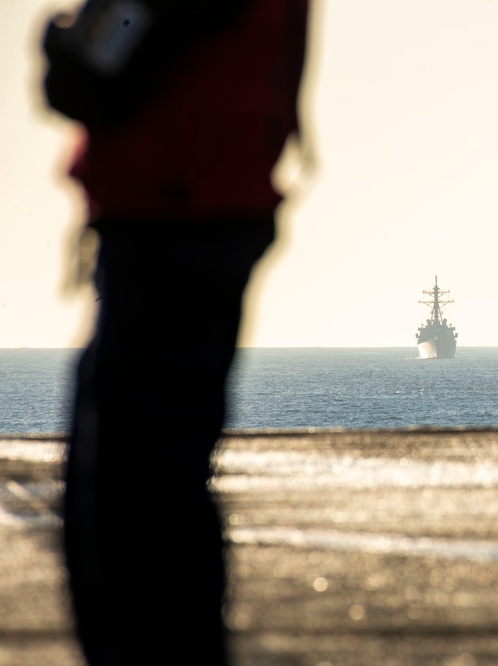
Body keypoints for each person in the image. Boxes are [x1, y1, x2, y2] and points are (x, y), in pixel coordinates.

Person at [45, 1, 310, 664]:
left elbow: (105, 63)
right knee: (149, 494)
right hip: (198, 208)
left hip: (174, 216)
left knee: (133, 509)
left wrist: (62, 44)